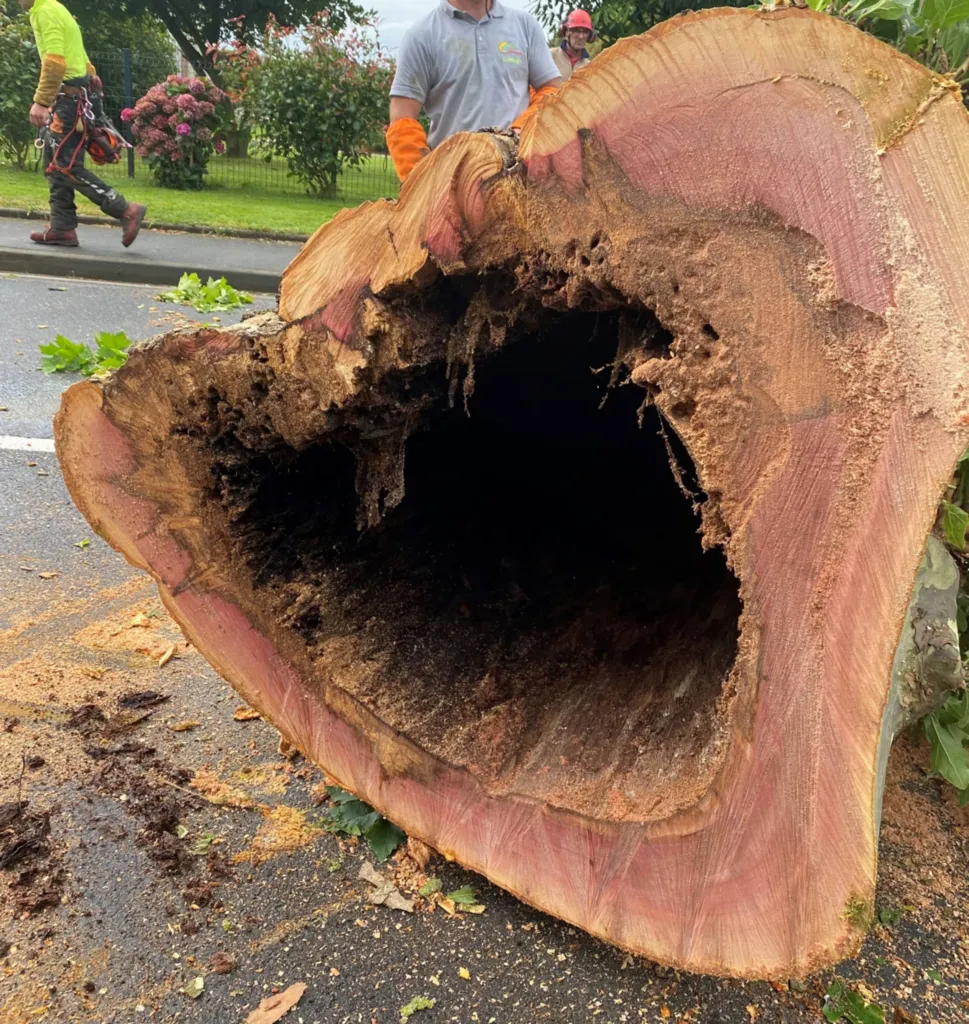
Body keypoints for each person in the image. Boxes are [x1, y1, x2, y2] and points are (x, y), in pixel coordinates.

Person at [386, 0, 563, 183]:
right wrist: (422, 186)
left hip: (521, 181)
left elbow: (552, 91)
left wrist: (520, 131)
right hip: (452, 184)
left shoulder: (525, 26)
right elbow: (402, 118)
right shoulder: (422, 36)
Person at [19, 0, 146, 247]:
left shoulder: (46, 10)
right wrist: (90, 82)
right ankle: (62, 227)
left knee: (65, 166)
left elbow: (55, 62)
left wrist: (41, 102)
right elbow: (83, 59)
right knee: (55, 164)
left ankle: (125, 209)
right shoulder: (54, 8)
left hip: (68, 100)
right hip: (73, 98)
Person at [552, 10, 595, 80]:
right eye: (576, 31)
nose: (581, 36)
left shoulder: (589, 66)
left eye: (585, 32)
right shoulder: (550, 56)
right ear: (566, 32)